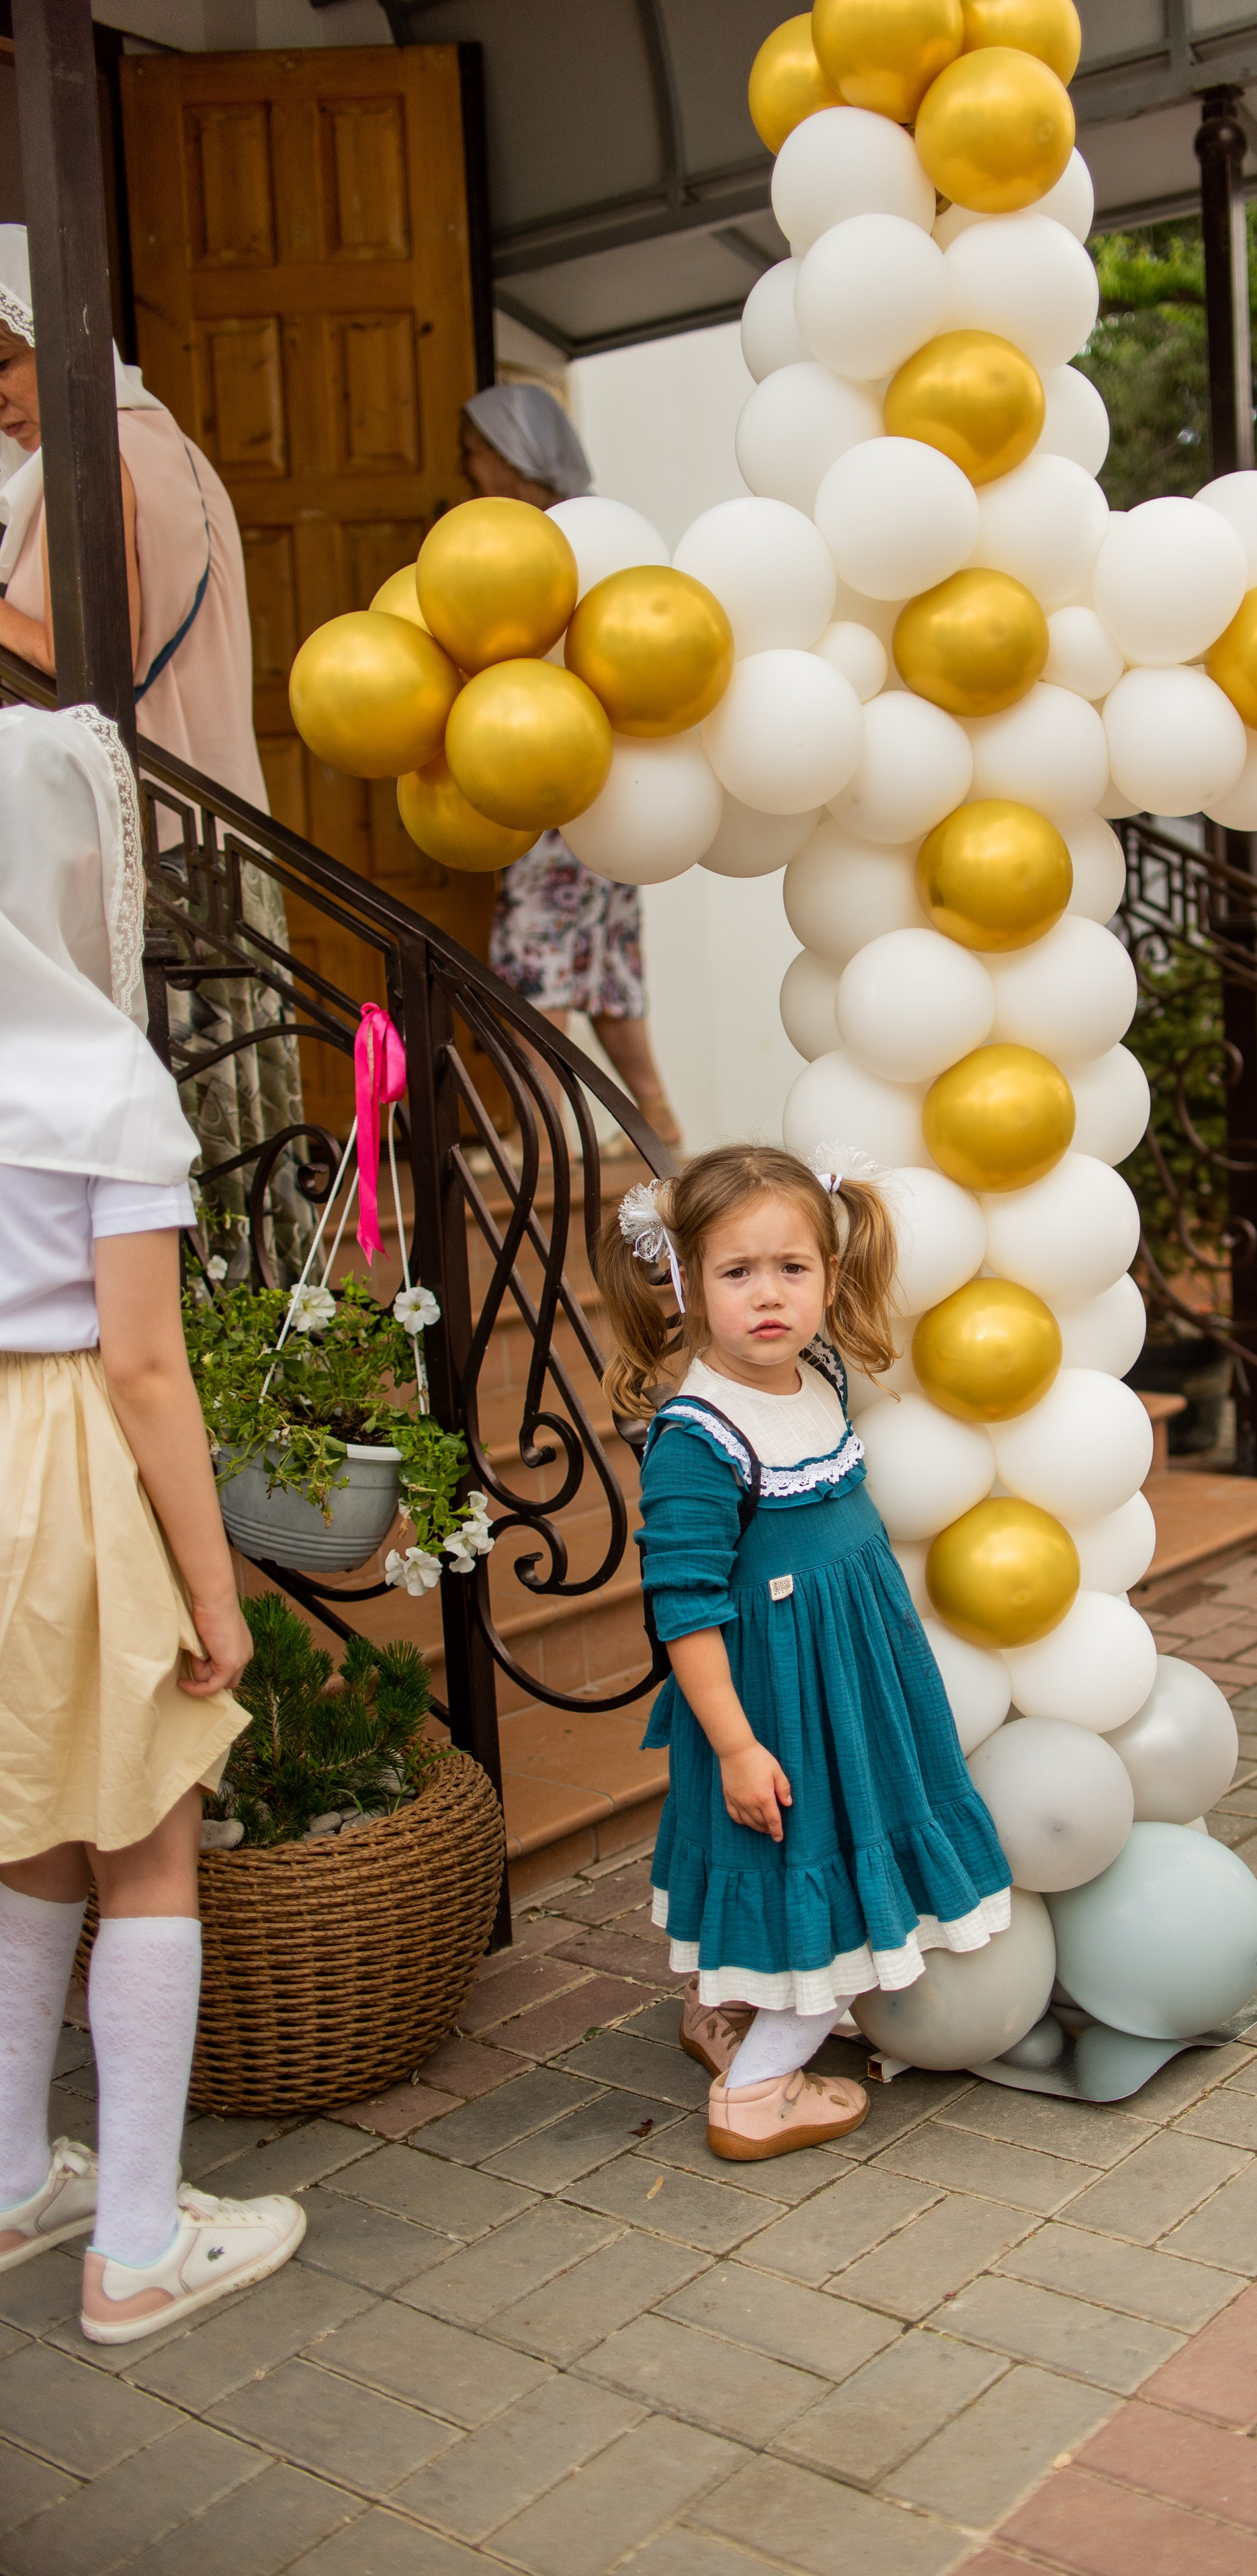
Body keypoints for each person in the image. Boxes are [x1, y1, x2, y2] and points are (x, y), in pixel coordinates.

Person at [0, 704, 303, 2340]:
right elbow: (139, 1361)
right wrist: (218, 1588)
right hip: (67, 1455)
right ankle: (133, 2242)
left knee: (28, 1819)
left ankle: (11, 2179)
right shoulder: (98, 1071)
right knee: (148, 1839)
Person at [596, 1144, 1012, 2159]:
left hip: (853, 1690)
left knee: (803, 1866)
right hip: (780, 1708)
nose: (768, 1295)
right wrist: (737, 1747)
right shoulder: (698, 1435)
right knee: (813, 1884)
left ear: (830, 1273)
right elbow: (685, 1611)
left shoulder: (817, 1374)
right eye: (737, 1272)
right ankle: (756, 2093)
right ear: (688, 1282)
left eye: (793, 1268)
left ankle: (725, 2011)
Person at [0, 224, 305, 1282]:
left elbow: (86, 662)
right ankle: (266, 1341)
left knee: (173, 1141)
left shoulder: (93, 458)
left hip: (152, 858)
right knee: (235, 1137)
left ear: (57, 336)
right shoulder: (170, 447)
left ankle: (201, 1359)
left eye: (4, 359)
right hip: (217, 840)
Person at [465, 383, 684, 1148]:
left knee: (539, 954)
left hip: (558, 767)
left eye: (477, 452)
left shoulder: (558, 539)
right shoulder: (586, 528)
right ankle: (651, 1112)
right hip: (595, 776)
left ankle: (539, 1133)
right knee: (599, 960)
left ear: (513, 455)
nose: (470, 469)